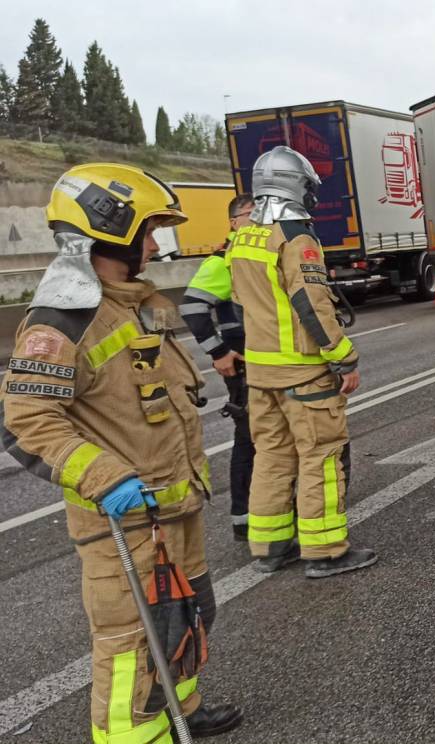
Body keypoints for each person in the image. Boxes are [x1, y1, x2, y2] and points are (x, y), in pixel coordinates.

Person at [0, 163, 243, 741]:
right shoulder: (63, 317)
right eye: (148, 231)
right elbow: (26, 419)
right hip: (124, 517)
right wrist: (105, 476)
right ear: (109, 232)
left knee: (187, 617)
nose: (157, 245)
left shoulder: (134, 303)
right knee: (133, 642)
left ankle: (180, 710)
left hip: (171, 505)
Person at [221, 145, 375, 579]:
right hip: (303, 374)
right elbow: (311, 306)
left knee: (271, 456)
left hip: (261, 373)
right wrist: (344, 358)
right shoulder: (295, 236)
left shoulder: (242, 237)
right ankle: (325, 551)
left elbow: (238, 300)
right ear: (295, 185)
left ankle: (270, 546)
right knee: (320, 457)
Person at [181, 193, 255, 540]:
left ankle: (273, 509)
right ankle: (245, 516)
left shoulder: (257, 254)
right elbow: (192, 308)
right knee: (249, 439)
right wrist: (219, 351)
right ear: (233, 222)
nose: (256, 221)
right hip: (243, 360)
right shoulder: (224, 260)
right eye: (249, 215)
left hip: (265, 359)